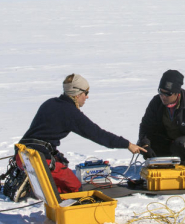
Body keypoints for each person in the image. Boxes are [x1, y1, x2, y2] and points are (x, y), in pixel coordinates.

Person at [15, 73, 146, 195]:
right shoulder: (70, 112)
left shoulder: (50, 103)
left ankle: (33, 181)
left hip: (22, 156)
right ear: (77, 94)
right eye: (86, 93)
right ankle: (36, 185)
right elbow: (98, 134)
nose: (87, 96)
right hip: (38, 160)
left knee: (60, 168)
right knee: (74, 187)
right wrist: (127, 144)